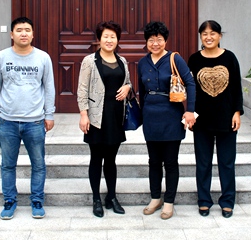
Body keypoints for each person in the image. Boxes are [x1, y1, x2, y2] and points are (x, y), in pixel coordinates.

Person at [0, 16, 56, 220]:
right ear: (12, 34)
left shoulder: (43, 57)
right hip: (7, 121)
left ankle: (37, 201)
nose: (23, 33)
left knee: (38, 164)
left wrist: (49, 114)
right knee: (7, 165)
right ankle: (9, 201)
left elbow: (49, 87)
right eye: (19, 30)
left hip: (34, 121)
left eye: (27, 30)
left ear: (33, 34)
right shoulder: (1, 57)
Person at [137, 21, 196, 220]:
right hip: (150, 117)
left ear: (165, 41)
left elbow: (190, 83)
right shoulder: (143, 63)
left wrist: (190, 111)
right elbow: (141, 91)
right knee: (153, 161)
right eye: (151, 40)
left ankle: (169, 201)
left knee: (170, 162)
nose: (155, 43)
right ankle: (155, 198)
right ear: (146, 41)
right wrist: (141, 115)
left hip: (171, 115)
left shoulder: (174, 59)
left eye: (159, 39)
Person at [187, 20, 243, 218]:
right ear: (200, 37)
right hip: (202, 120)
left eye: (212, 33)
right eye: (204, 34)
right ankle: (204, 200)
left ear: (220, 36)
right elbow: (190, 89)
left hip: (226, 119)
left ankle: (227, 201)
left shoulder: (230, 57)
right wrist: (189, 113)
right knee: (203, 163)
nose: (208, 37)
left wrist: (237, 112)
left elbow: (236, 86)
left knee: (226, 162)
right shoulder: (194, 59)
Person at [77, 21, 132, 218]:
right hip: (96, 117)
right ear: (99, 39)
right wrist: (83, 114)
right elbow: (82, 89)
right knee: (96, 158)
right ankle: (96, 199)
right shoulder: (89, 61)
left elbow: (127, 83)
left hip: (115, 117)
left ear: (117, 39)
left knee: (111, 159)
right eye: (105, 36)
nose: (109, 40)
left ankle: (112, 197)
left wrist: (128, 87)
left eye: (113, 37)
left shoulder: (122, 60)